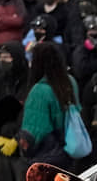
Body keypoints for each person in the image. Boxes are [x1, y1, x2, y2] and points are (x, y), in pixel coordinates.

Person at [18, 42, 79, 171]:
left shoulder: (39, 90)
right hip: (70, 151)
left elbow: (34, 131)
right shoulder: (70, 82)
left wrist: (23, 145)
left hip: (47, 158)